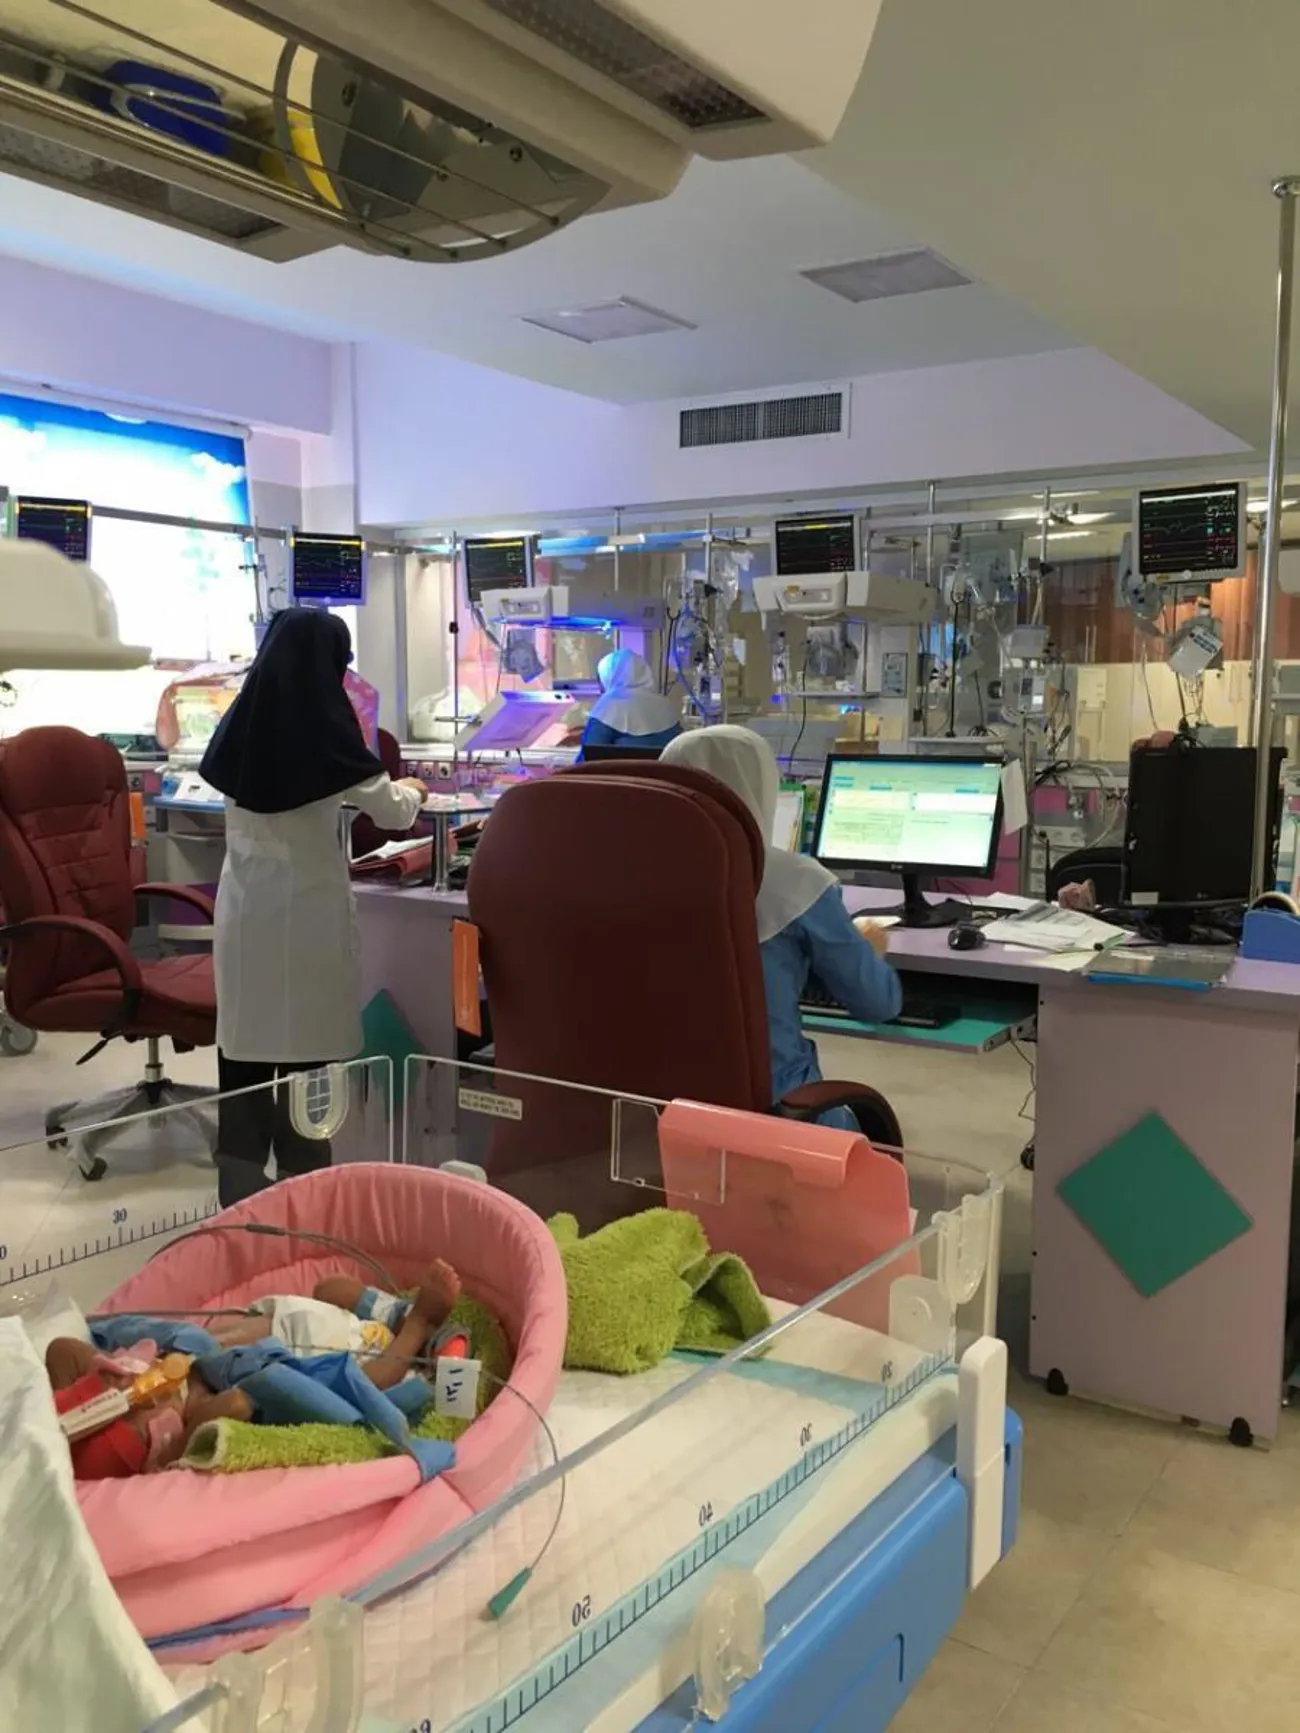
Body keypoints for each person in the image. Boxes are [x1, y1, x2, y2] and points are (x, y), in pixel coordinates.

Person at [200, 609, 427, 1206]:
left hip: (247, 914)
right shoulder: (328, 734)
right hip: (307, 919)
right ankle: (307, 1202)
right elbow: (393, 811)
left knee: (243, 1066)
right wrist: (416, 790)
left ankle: (239, 1206)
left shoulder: (241, 724)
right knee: (311, 1073)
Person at [661, 727, 901, 1123]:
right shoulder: (795, 881)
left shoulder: (632, 873)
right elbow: (877, 1004)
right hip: (776, 1118)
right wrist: (868, 952)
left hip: (653, 1113)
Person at [581, 649, 681, 755]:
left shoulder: (608, 705)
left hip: (621, 766)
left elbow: (589, 753)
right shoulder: (665, 705)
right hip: (663, 766)